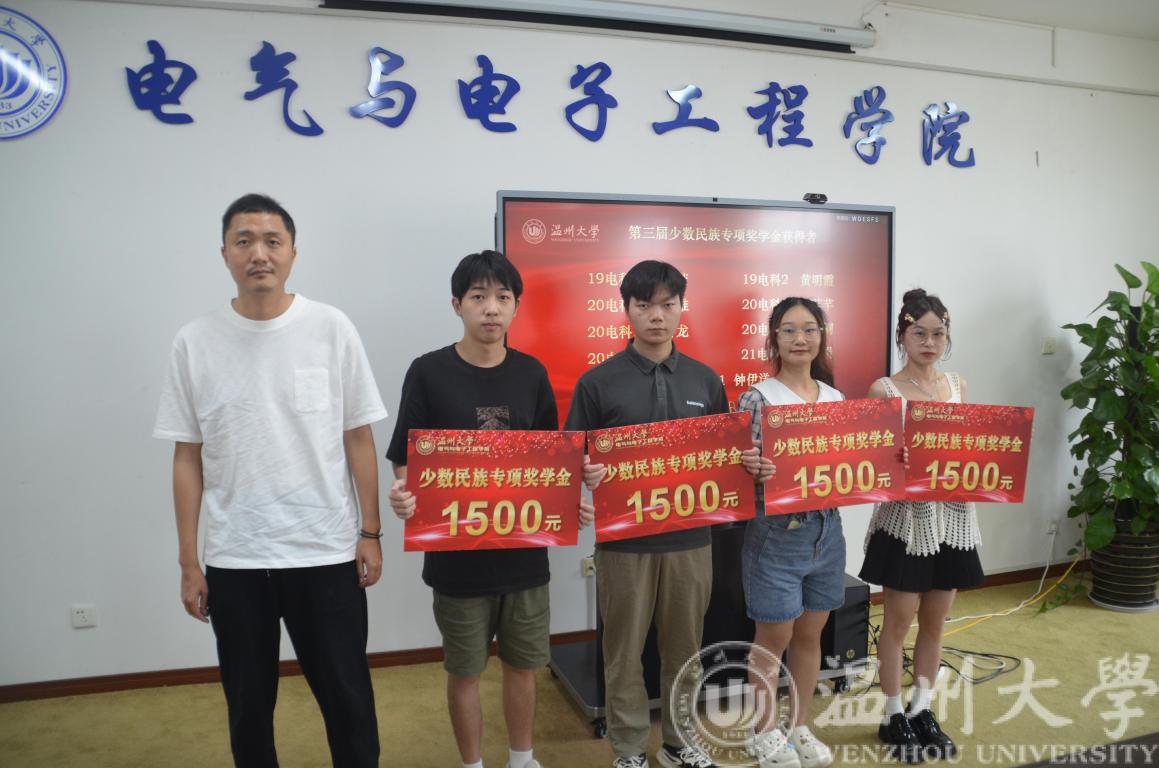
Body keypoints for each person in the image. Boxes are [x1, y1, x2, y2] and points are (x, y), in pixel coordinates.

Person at [153, 194, 385, 767]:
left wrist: (370, 533)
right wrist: (189, 562)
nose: (259, 253)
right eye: (244, 241)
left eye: (272, 241)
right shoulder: (195, 341)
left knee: (349, 702)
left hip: (325, 551)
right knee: (248, 709)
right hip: (236, 559)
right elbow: (187, 457)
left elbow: (358, 437)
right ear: (225, 254)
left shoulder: (330, 328)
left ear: (292, 253)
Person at [386, 250, 594, 768]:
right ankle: (473, 763)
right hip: (458, 561)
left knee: (523, 666)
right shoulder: (428, 372)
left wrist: (571, 498)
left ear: (517, 306)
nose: (491, 308)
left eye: (503, 297)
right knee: (465, 671)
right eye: (478, 296)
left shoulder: (531, 373)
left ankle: (522, 758)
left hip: (524, 558)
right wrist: (404, 494)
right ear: (457, 304)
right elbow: (407, 458)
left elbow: (550, 461)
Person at [567, 260, 764, 768]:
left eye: (667, 305)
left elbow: (723, 458)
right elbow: (572, 459)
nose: (656, 316)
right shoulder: (597, 382)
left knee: (685, 651)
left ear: (681, 308)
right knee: (623, 653)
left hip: (691, 543)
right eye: (644, 305)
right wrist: (584, 474)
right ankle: (629, 749)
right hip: (623, 546)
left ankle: (680, 743)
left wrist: (744, 465)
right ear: (626, 310)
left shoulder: (705, 379)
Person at [859, 288, 982, 763]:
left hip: (953, 519)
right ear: (902, 336)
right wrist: (897, 459)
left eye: (938, 334)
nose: (929, 342)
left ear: (947, 337)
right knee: (897, 622)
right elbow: (872, 463)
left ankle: (922, 708)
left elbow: (972, 448)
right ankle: (893, 713)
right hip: (905, 522)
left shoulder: (958, 384)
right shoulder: (884, 390)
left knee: (935, 621)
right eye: (919, 333)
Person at [738, 298, 844, 768]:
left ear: (821, 336)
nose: (800, 339)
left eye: (809, 329)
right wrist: (750, 468)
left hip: (827, 530)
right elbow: (734, 472)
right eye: (789, 330)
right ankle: (762, 732)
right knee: (773, 636)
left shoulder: (836, 398)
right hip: (777, 533)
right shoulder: (758, 397)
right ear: (774, 339)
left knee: (811, 634)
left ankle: (799, 725)